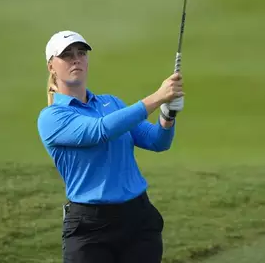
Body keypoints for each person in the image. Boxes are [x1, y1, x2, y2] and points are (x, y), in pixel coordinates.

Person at [37, 30, 184, 263]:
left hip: (138, 221)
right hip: (90, 228)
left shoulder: (111, 103)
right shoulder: (52, 117)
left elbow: (157, 141)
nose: (76, 58)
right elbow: (99, 131)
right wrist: (157, 98)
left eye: (81, 53)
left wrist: (168, 113)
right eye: (66, 55)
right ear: (51, 67)